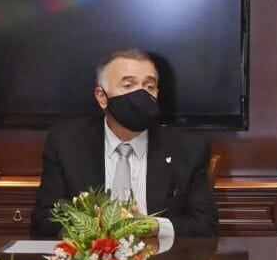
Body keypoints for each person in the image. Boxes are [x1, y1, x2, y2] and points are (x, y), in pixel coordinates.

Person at [30, 48, 219, 239]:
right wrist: (99, 229)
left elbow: (206, 225)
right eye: (129, 85)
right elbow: (43, 222)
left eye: (149, 87)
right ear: (102, 97)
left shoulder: (189, 148)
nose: (141, 95)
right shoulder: (66, 143)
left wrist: (153, 226)